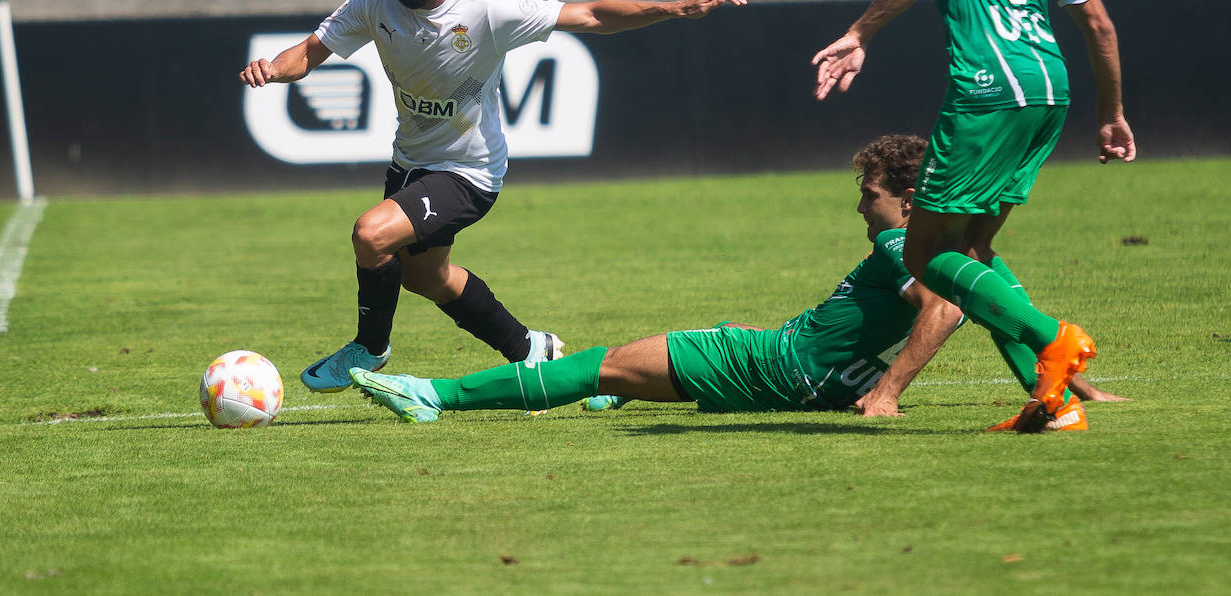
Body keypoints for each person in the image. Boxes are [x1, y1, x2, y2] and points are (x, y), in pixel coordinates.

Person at [240, 0, 746, 392]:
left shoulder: (488, 10)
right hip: (409, 163)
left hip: (469, 172)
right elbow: (310, 51)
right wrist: (273, 69)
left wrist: (675, 8)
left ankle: (369, 348)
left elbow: (591, 14)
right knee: (426, 277)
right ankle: (529, 348)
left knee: (371, 234)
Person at [348, 134, 1123, 427]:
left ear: (906, 202)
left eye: (871, 193)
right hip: (806, 373)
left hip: (775, 364)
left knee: (596, 365)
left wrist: (889, 392)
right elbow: (1002, 312)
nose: (861, 205)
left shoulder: (904, 244)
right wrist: (1062, 386)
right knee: (668, 361)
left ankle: (435, 395)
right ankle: (628, 392)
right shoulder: (961, 249)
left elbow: (944, 312)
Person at [810, 0, 1137, 432]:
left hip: (989, 86)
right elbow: (1099, 23)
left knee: (925, 255)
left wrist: (860, 33)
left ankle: (1054, 340)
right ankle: (1057, 397)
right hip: (1049, 87)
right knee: (974, 253)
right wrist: (1112, 115)